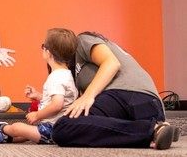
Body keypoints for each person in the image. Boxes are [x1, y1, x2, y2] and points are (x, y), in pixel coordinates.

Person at [52, 31, 180, 150]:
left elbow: (111, 63)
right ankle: (157, 129)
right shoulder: (76, 72)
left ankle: (151, 130)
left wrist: (88, 95)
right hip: (149, 108)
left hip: (126, 93)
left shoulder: (82, 40)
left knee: (63, 126)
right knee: (84, 122)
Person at [0, 28, 79, 144]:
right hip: (59, 129)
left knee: (18, 128)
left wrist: (37, 115)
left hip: (51, 129)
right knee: (24, 135)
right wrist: (39, 96)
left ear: (48, 52)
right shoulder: (67, 75)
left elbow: (57, 105)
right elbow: (61, 99)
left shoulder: (56, 77)